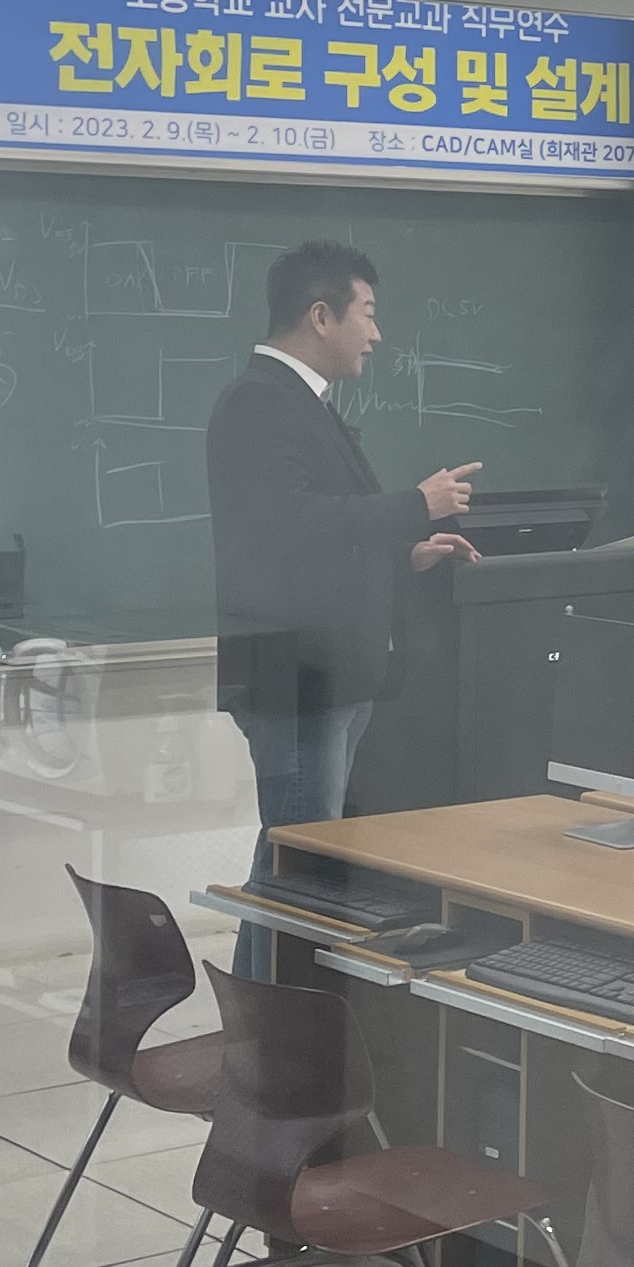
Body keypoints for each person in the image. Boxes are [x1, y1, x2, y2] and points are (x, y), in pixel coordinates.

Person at [210, 240, 480, 888]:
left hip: (332, 670)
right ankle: (272, 960)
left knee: (295, 861)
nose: (376, 335)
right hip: (298, 672)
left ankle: (267, 959)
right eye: (368, 313)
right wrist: (415, 505)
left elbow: (319, 537)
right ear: (321, 316)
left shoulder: (302, 401)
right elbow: (284, 524)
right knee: (301, 863)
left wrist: (406, 555)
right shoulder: (258, 401)